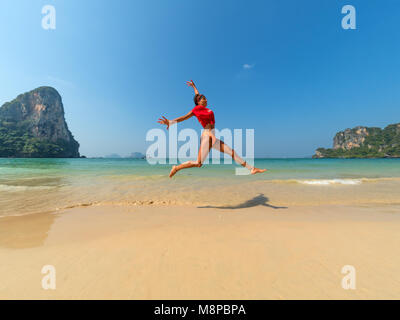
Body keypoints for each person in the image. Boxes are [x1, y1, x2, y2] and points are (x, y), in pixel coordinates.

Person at [158, 80, 267, 178]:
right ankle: (176, 168)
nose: (205, 99)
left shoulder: (204, 108)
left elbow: (197, 95)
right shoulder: (196, 109)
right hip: (207, 135)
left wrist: (194, 87)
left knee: (230, 152)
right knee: (198, 163)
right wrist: (171, 122)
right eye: (203, 99)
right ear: (198, 102)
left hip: (212, 135)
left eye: (205, 98)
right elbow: (183, 117)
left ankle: (252, 169)